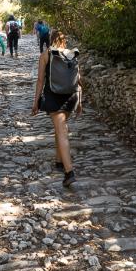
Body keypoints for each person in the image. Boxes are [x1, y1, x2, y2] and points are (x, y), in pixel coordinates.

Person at [31, 29, 82, 187]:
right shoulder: (71, 54)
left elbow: (40, 80)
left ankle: (69, 172)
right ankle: (59, 162)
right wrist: (80, 102)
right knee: (60, 128)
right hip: (71, 96)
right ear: (63, 40)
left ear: (50, 40)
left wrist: (36, 102)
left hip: (54, 96)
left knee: (61, 132)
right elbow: (78, 80)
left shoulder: (46, 54)